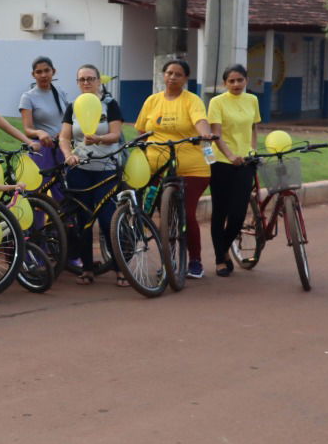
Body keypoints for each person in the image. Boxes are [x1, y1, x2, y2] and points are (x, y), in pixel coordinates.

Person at [135, 58, 216, 280]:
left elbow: (200, 120)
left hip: (192, 168)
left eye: (178, 74)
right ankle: (168, 260)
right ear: (163, 75)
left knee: (186, 214)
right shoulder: (152, 101)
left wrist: (205, 133)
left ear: (185, 79)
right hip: (157, 167)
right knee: (164, 216)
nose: (172, 77)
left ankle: (195, 261)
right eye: (169, 73)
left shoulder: (192, 100)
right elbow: (141, 130)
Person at [60, 64, 124, 285]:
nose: (86, 83)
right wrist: (68, 155)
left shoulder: (110, 104)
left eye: (90, 78)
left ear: (99, 81)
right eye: (82, 79)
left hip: (105, 170)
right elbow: (64, 137)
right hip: (80, 171)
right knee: (83, 222)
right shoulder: (73, 106)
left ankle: (120, 268)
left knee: (108, 220)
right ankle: (87, 269)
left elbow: (116, 135)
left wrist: (98, 138)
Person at [206, 64, 259, 278]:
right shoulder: (217, 102)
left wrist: (252, 151)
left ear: (246, 80)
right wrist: (230, 156)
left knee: (237, 215)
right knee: (220, 211)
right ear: (224, 83)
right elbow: (215, 134)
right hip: (221, 163)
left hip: (246, 162)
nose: (236, 84)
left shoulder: (252, 100)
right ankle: (220, 259)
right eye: (231, 81)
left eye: (240, 80)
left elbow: (254, 128)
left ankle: (223, 249)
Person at [17, 56, 69, 192]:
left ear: (54, 71)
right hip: (42, 150)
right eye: (39, 72)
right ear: (33, 75)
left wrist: (63, 133)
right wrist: (39, 132)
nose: (43, 75)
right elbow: (28, 129)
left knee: (62, 192)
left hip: (61, 148)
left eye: (47, 70)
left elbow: (68, 119)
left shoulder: (60, 92)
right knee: (40, 191)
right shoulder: (28, 97)